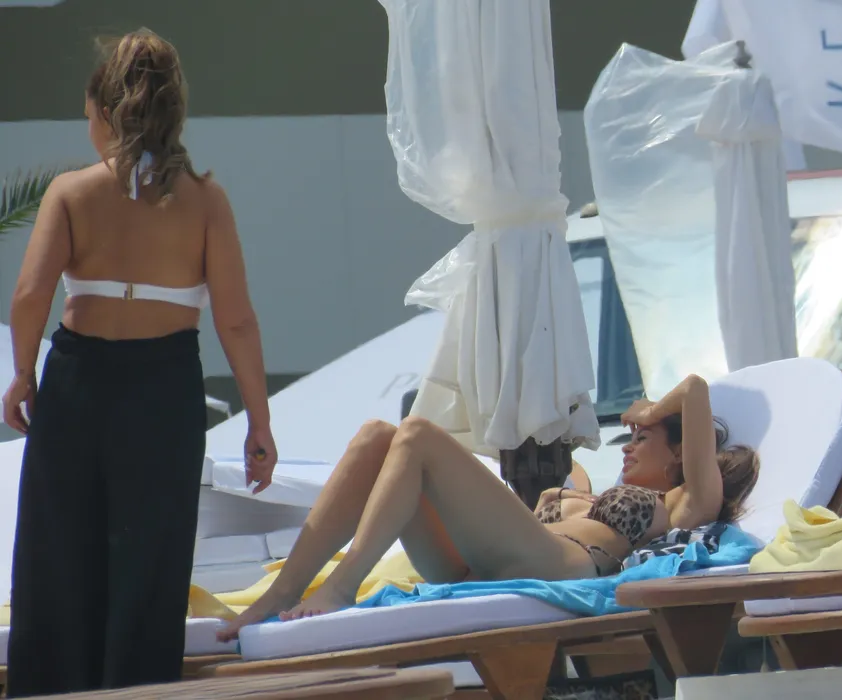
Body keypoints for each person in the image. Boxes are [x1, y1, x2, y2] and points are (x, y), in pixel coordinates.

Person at [1, 29, 278, 696]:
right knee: (148, 567)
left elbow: (30, 296)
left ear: (105, 112)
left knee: (60, 559)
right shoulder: (205, 201)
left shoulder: (71, 193)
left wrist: (23, 373)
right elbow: (236, 319)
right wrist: (259, 421)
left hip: (78, 386)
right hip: (164, 390)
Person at [217, 373, 759, 641]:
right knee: (377, 435)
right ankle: (283, 590)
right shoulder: (588, 490)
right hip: (477, 564)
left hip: (555, 565)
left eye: (643, 437)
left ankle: (341, 586)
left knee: (417, 434)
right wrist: (564, 494)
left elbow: (693, 389)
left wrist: (647, 409)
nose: (630, 443)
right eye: (630, 436)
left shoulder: (684, 503)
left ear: (680, 454)